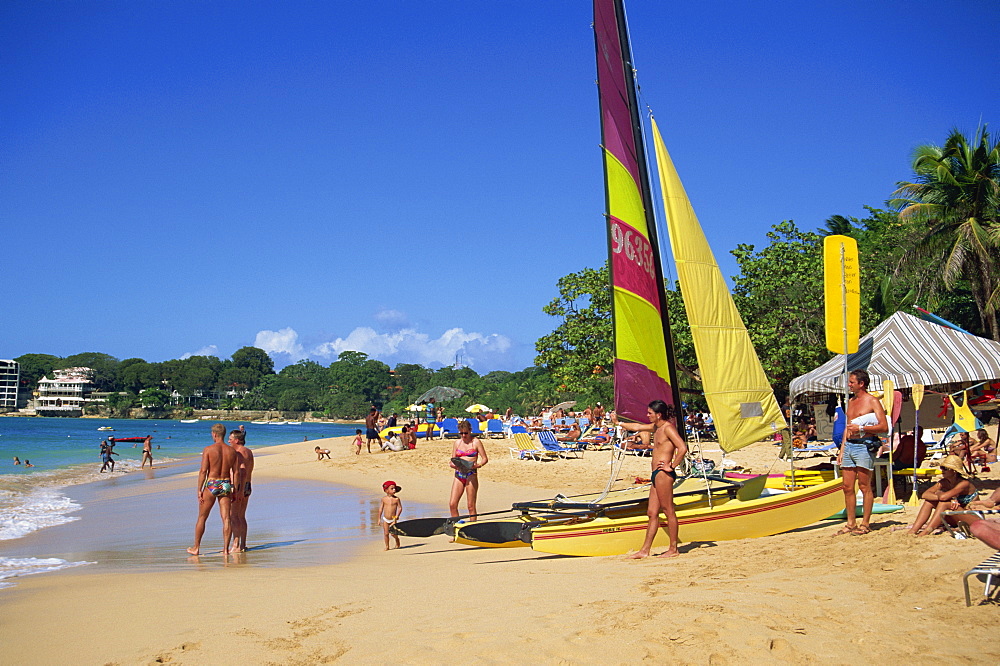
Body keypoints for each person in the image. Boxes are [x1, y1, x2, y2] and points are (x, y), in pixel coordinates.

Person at [612, 400, 688, 558]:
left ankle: (673, 549)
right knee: (652, 512)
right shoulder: (656, 428)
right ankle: (645, 550)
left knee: (668, 510)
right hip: (655, 474)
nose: (647, 415)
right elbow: (637, 427)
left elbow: (682, 448)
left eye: (650, 413)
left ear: (658, 414)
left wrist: (672, 466)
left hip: (663, 474)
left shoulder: (668, 428)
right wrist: (619, 423)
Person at [835, 369, 888, 536]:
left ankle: (865, 523)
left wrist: (862, 428)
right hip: (850, 445)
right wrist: (842, 450)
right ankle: (851, 523)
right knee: (847, 487)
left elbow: (884, 426)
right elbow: (847, 428)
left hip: (864, 446)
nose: (849, 385)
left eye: (851, 382)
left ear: (861, 383)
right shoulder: (850, 401)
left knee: (865, 486)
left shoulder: (872, 401)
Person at [187, 423, 238, 556]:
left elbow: (203, 471)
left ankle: (196, 547)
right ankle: (226, 549)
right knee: (226, 518)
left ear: (214, 434)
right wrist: (234, 489)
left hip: (212, 483)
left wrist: (199, 489)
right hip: (225, 483)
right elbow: (236, 472)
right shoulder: (232, 451)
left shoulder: (208, 449)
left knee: (202, 517)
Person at [895, 455, 977, 536]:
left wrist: (939, 493)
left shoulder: (964, 483)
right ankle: (913, 530)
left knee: (944, 503)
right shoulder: (944, 482)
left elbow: (943, 497)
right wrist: (941, 496)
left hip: (973, 519)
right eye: (941, 467)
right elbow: (925, 495)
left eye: (945, 468)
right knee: (929, 502)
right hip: (957, 518)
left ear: (954, 471)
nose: (942, 470)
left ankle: (926, 531)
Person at [448, 420, 489, 520]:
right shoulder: (457, 443)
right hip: (459, 473)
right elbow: (452, 459)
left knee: (471, 506)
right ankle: (456, 528)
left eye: (465, 433)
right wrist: (453, 464)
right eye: (461, 433)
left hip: (471, 473)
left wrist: (478, 465)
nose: (463, 435)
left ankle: (472, 530)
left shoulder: (476, 442)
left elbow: (485, 459)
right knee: (452, 504)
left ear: (470, 431)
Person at [228, 429, 254, 553]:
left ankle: (236, 545)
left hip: (240, 486)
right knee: (241, 516)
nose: (228, 441)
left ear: (236, 440)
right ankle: (242, 544)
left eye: (230, 439)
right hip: (247, 485)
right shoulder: (248, 451)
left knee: (234, 516)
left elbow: (242, 471)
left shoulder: (239, 452)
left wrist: (237, 489)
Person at [379, 481, 403, 550]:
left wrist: (397, 515)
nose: (394, 490)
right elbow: (381, 509)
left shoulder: (396, 499)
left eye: (394, 488)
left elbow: (400, 507)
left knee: (393, 533)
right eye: (392, 489)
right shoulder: (384, 499)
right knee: (386, 533)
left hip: (393, 519)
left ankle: (397, 540)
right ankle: (387, 546)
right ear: (386, 490)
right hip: (385, 519)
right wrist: (379, 519)